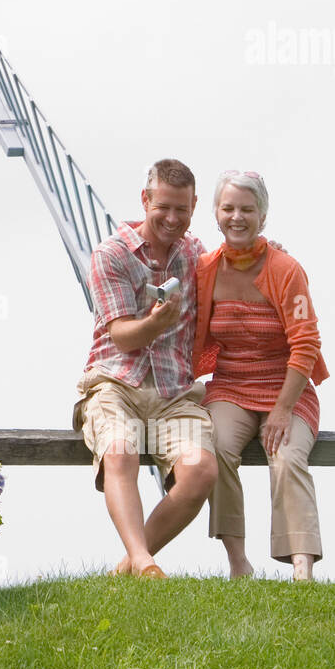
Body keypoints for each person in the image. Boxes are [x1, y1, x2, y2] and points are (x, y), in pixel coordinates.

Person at [74, 159, 218, 578]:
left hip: (174, 391)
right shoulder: (111, 255)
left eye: (182, 210)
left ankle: (130, 565)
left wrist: (270, 254)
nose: (172, 219)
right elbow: (120, 336)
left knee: (201, 471)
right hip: (115, 381)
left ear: (193, 207)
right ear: (145, 200)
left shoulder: (195, 252)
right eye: (164, 208)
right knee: (119, 451)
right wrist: (155, 323)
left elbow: (236, 269)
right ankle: (144, 561)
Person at [193, 170, 328, 582]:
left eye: (247, 209)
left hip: (287, 389)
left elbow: (306, 343)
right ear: (215, 214)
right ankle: (238, 563)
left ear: (263, 216)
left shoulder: (287, 270)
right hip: (231, 386)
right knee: (213, 449)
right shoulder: (204, 269)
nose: (237, 217)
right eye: (228, 208)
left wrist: (284, 410)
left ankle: (302, 569)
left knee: (287, 457)